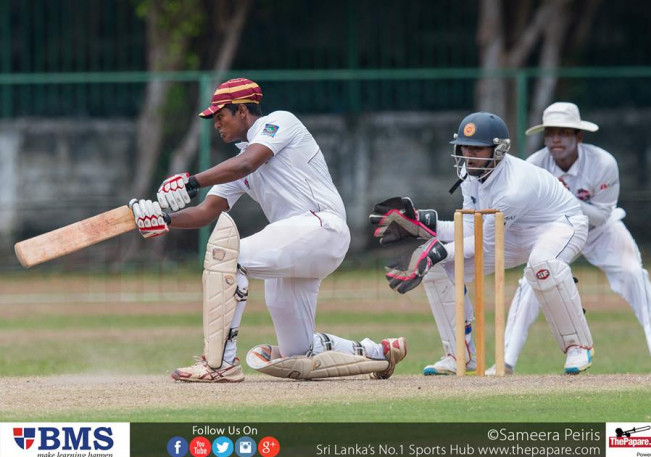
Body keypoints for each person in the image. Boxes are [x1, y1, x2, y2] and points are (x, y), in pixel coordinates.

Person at [129, 77, 406, 382]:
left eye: (221, 116)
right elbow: (206, 212)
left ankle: (221, 364)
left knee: (228, 257)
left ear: (244, 111)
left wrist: (191, 181)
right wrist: (165, 219)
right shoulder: (237, 163)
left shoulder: (279, 123)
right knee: (297, 353)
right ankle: (377, 352)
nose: (217, 125)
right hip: (296, 247)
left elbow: (249, 163)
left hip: (321, 227)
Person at [371, 112, 595, 375]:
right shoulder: (470, 171)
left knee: (542, 265)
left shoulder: (513, 189)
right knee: (435, 269)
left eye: (477, 148)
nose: (468, 154)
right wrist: (425, 224)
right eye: (464, 147)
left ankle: (579, 346)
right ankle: (459, 355)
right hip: (511, 231)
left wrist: (436, 250)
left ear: (498, 150)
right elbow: (471, 226)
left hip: (560, 225)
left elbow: (483, 244)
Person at [486, 102, 651, 376]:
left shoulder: (603, 163)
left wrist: (562, 198)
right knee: (533, 279)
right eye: (551, 133)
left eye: (564, 133)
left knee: (634, 274)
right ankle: (504, 363)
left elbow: (602, 215)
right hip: (557, 231)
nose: (556, 139)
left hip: (602, 232)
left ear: (578, 136)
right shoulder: (534, 166)